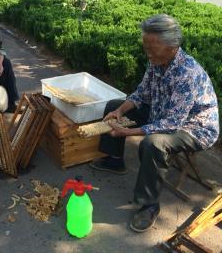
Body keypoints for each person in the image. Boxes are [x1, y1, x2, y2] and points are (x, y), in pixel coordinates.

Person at [90, 14, 219, 233]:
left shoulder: (187, 73)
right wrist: (119, 111)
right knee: (113, 104)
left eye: (152, 47)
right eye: (145, 46)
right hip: (164, 112)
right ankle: (114, 160)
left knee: (152, 144)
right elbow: (143, 93)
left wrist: (129, 132)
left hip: (194, 127)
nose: (147, 52)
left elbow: (172, 123)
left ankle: (149, 205)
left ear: (172, 46)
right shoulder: (156, 61)